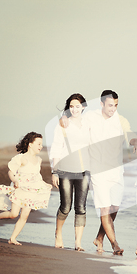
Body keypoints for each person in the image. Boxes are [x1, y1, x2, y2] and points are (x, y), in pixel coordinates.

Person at [60, 90, 137, 254]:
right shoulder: (91, 117)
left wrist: (135, 142)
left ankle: (99, 237)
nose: (113, 108)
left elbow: (129, 133)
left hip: (117, 170)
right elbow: (75, 117)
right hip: (97, 170)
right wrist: (65, 116)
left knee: (114, 209)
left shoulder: (120, 119)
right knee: (104, 209)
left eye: (116, 105)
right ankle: (115, 245)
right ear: (102, 104)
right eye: (110, 105)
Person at [0, 132, 52, 245]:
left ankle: (13, 238)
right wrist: (15, 180)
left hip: (31, 191)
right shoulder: (21, 158)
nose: (41, 146)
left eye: (41, 144)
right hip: (20, 189)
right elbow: (10, 171)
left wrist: (44, 184)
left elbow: (37, 176)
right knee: (13, 214)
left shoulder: (38, 160)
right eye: (38, 144)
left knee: (25, 215)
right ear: (30, 144)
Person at [50, 93, 90, 251]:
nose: (74, 109)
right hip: (65, 170)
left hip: (84, 170)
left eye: (77, 106)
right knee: (66, 206)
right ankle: (58, 233)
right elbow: (56, 148)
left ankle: (78, 243)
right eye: (71, 106)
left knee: (81, 207)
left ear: (83, 107)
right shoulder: (63, 124)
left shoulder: (88, 124)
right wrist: (54, 171)